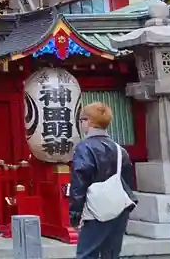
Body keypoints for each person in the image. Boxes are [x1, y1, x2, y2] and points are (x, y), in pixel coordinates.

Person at [70, 102, 135, 259]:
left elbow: (79, 184)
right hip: (119, 208)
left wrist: (75, 215)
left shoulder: (84, 148)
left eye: (82, 120)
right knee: (111, 254)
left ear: (89, 122)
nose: (81, 124)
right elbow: (127, 180)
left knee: (87, 254)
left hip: (94, 210)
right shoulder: (119, 149)